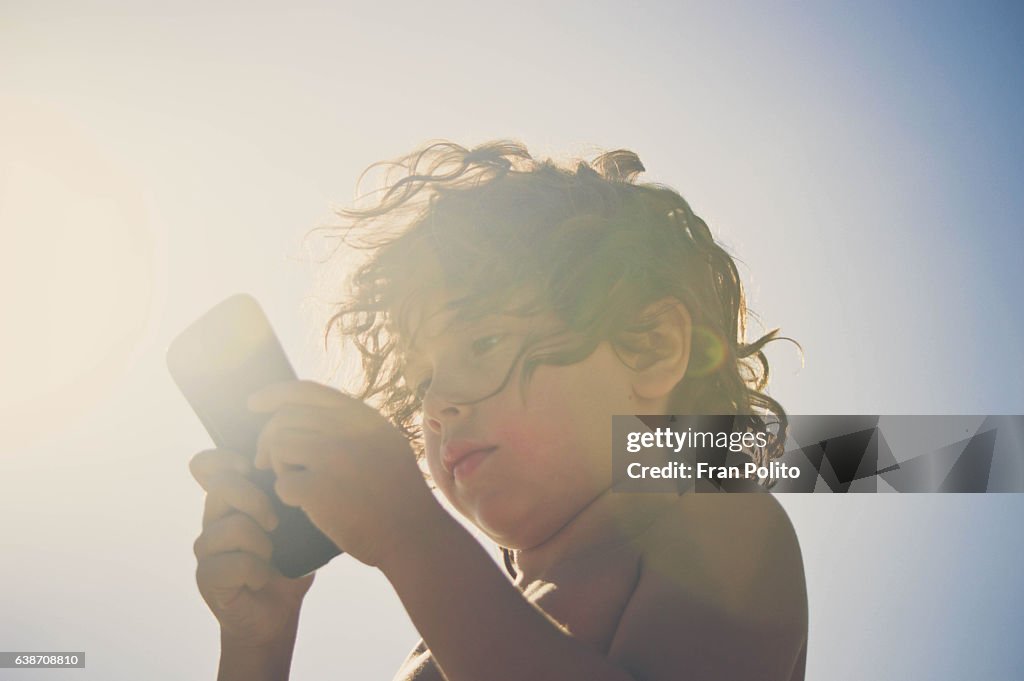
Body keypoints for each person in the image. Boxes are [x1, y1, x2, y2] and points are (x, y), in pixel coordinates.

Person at [189, 140, 808, 681]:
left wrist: (410, 533)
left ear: (650, 347)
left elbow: (871, 454)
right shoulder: (450, 639)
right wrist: (258, 647)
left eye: (482, 343)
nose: (436, 405)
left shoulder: (722, 523)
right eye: (422, 379)